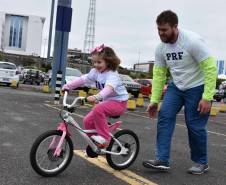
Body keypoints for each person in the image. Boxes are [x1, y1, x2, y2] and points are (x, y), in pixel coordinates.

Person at [142, 10, 217, 175]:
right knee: (165, 116)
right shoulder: (161, 48)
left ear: (175, 27)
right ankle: (162, 160)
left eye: (164, 30)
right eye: (159, 30)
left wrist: (207, 97)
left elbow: (211, 68)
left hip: (197, 86)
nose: (161, 34)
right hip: (176, 87)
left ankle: (201, 162)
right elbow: (159, 74)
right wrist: (154, 101)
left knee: (194, 125)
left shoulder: (192, 41)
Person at [63, 44, 129, 148]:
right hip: (107, 102)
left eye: (99, 62)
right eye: (94, 62)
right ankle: (95, 143)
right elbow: (83, 79)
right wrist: (67, 86)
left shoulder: (112, 74)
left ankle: (105, 138)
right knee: (87, 120)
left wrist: (96, 97)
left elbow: (109, 88)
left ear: (108, 61)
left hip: (119, 103)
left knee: (98, 108)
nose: (96, 65)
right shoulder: (95, 72)